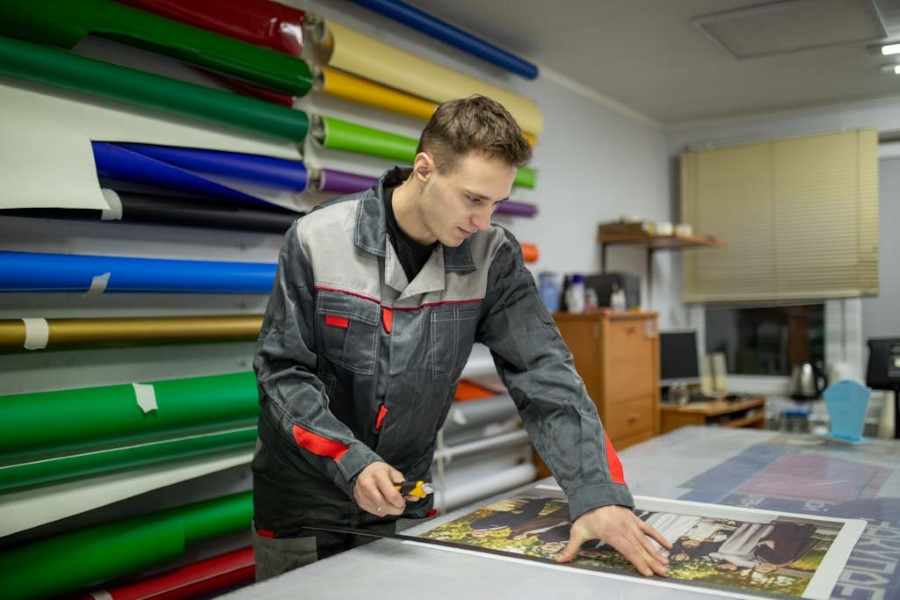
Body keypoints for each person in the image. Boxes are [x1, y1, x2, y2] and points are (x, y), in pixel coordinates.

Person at [251, 94, 670, 581]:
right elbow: (282, 374)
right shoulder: (317, 238)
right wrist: (351, 461)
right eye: (473, 199)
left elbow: (544, 372)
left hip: (401, 496)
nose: (483, 221)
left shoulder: (493, 255)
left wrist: (596, 495)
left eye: (496, 203)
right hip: (304, 501)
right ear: (424, 169)